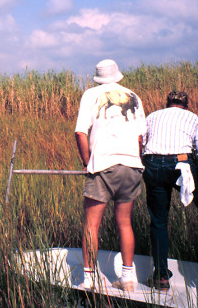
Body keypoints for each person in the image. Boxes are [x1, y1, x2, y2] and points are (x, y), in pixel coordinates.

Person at [74, 59, 147, 291]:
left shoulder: (90, 95)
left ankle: (89, 278)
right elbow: (139, 137)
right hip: (132, 164)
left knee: (91, 225)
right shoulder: (134, 96)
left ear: (98, 77)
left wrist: (88, 162)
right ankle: (127, 278)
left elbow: (80, 132)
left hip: (103, 164)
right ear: (117, 76)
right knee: (125, 223)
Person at [141, 91, 198, 292]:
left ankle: (161, 276)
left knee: (158, 219)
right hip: (181, 162)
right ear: (186, 105)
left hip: (153, 163)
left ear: (167, 103)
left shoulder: (153, 116)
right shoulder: (191, 117)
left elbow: (142, 143)